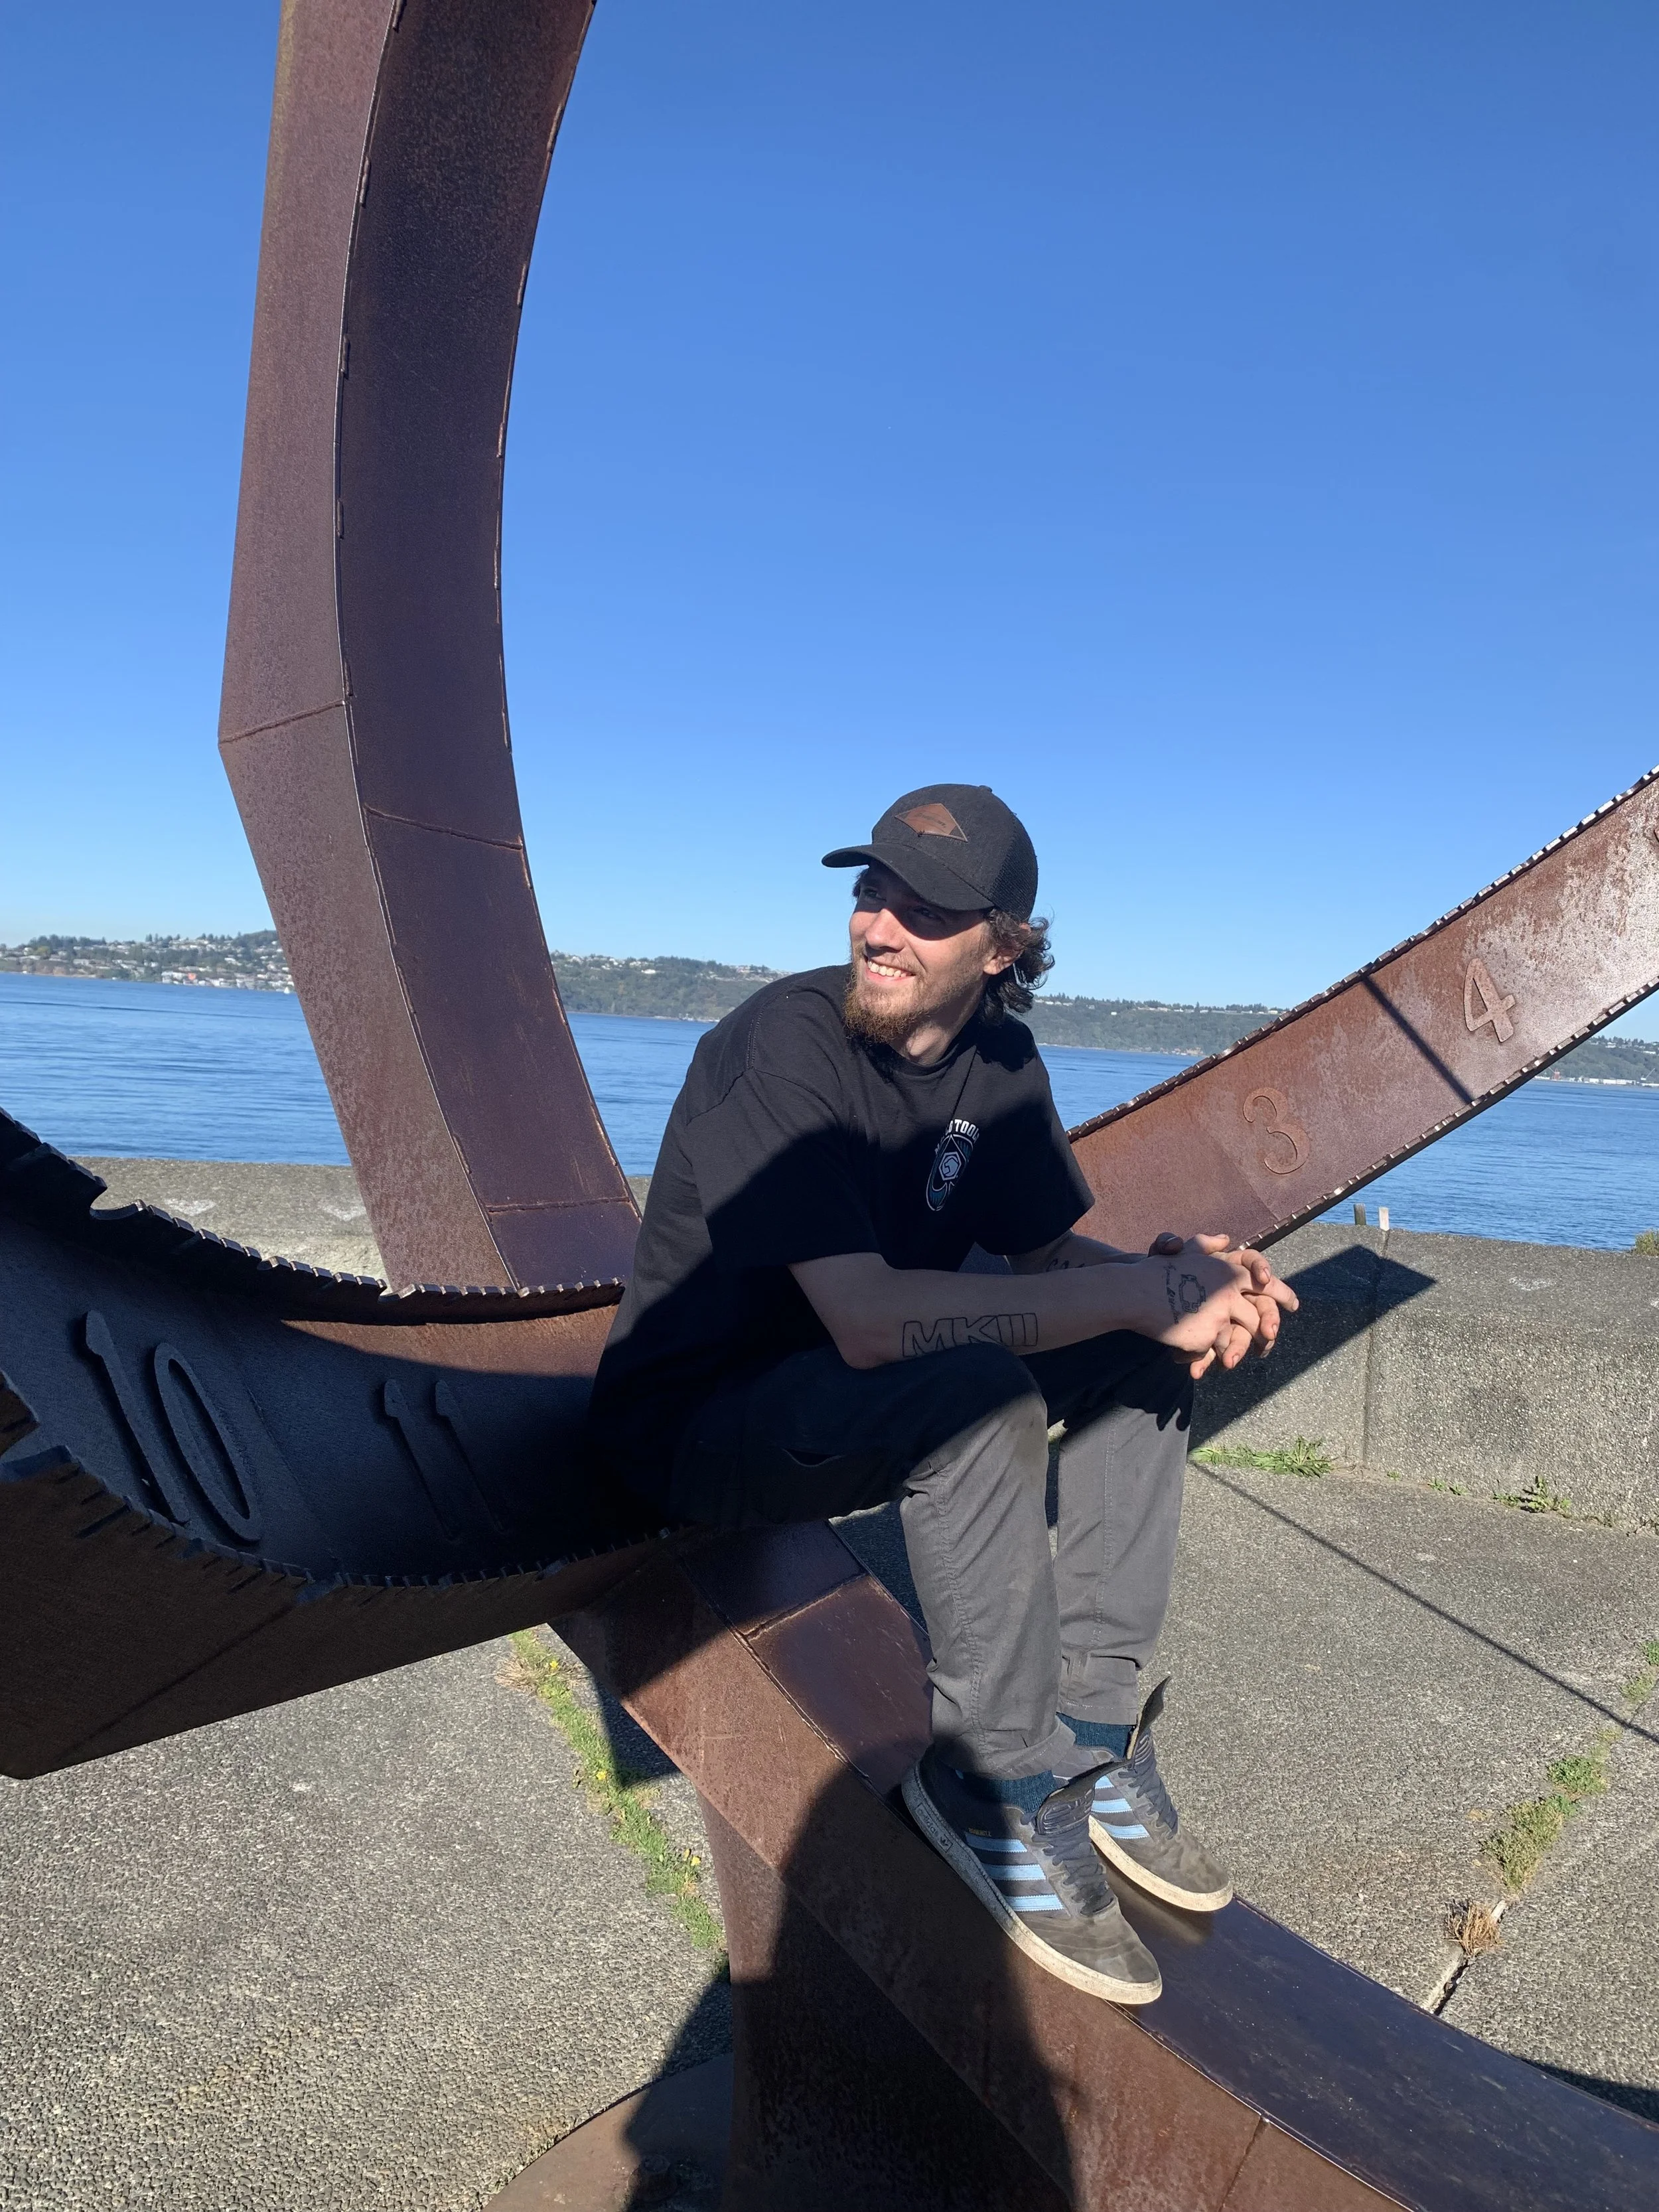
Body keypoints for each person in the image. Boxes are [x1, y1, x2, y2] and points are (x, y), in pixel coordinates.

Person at [585, 783, 1297, 2006]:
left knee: (1142, 1351)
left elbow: (1046, 1266)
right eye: (872, 891)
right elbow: (868, 1321)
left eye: (926, 908)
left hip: (856, 1399)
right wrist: (1136, 1294)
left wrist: (1178, 1283)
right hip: (702, 1422)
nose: (880, 925)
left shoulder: (1002, 1063)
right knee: (972, 1392)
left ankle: (1088, 1732)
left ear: (1004, 947)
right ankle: (990, 1779)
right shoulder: (782, 1046)